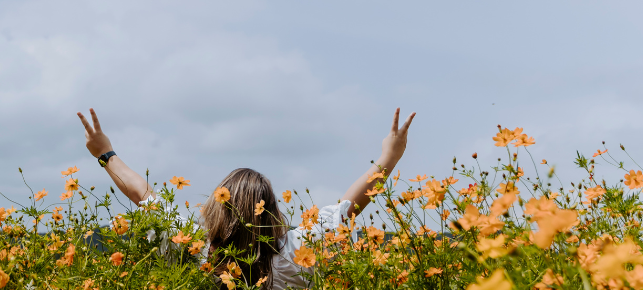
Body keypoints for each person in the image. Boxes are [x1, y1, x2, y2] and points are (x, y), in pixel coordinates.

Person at [77, 107, 414, 289]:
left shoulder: (193, 247)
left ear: (215, 208)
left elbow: (143, 194)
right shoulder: (294, 254)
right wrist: (390, 157)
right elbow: (350, 207)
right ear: (273, 213)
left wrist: (106, 153)